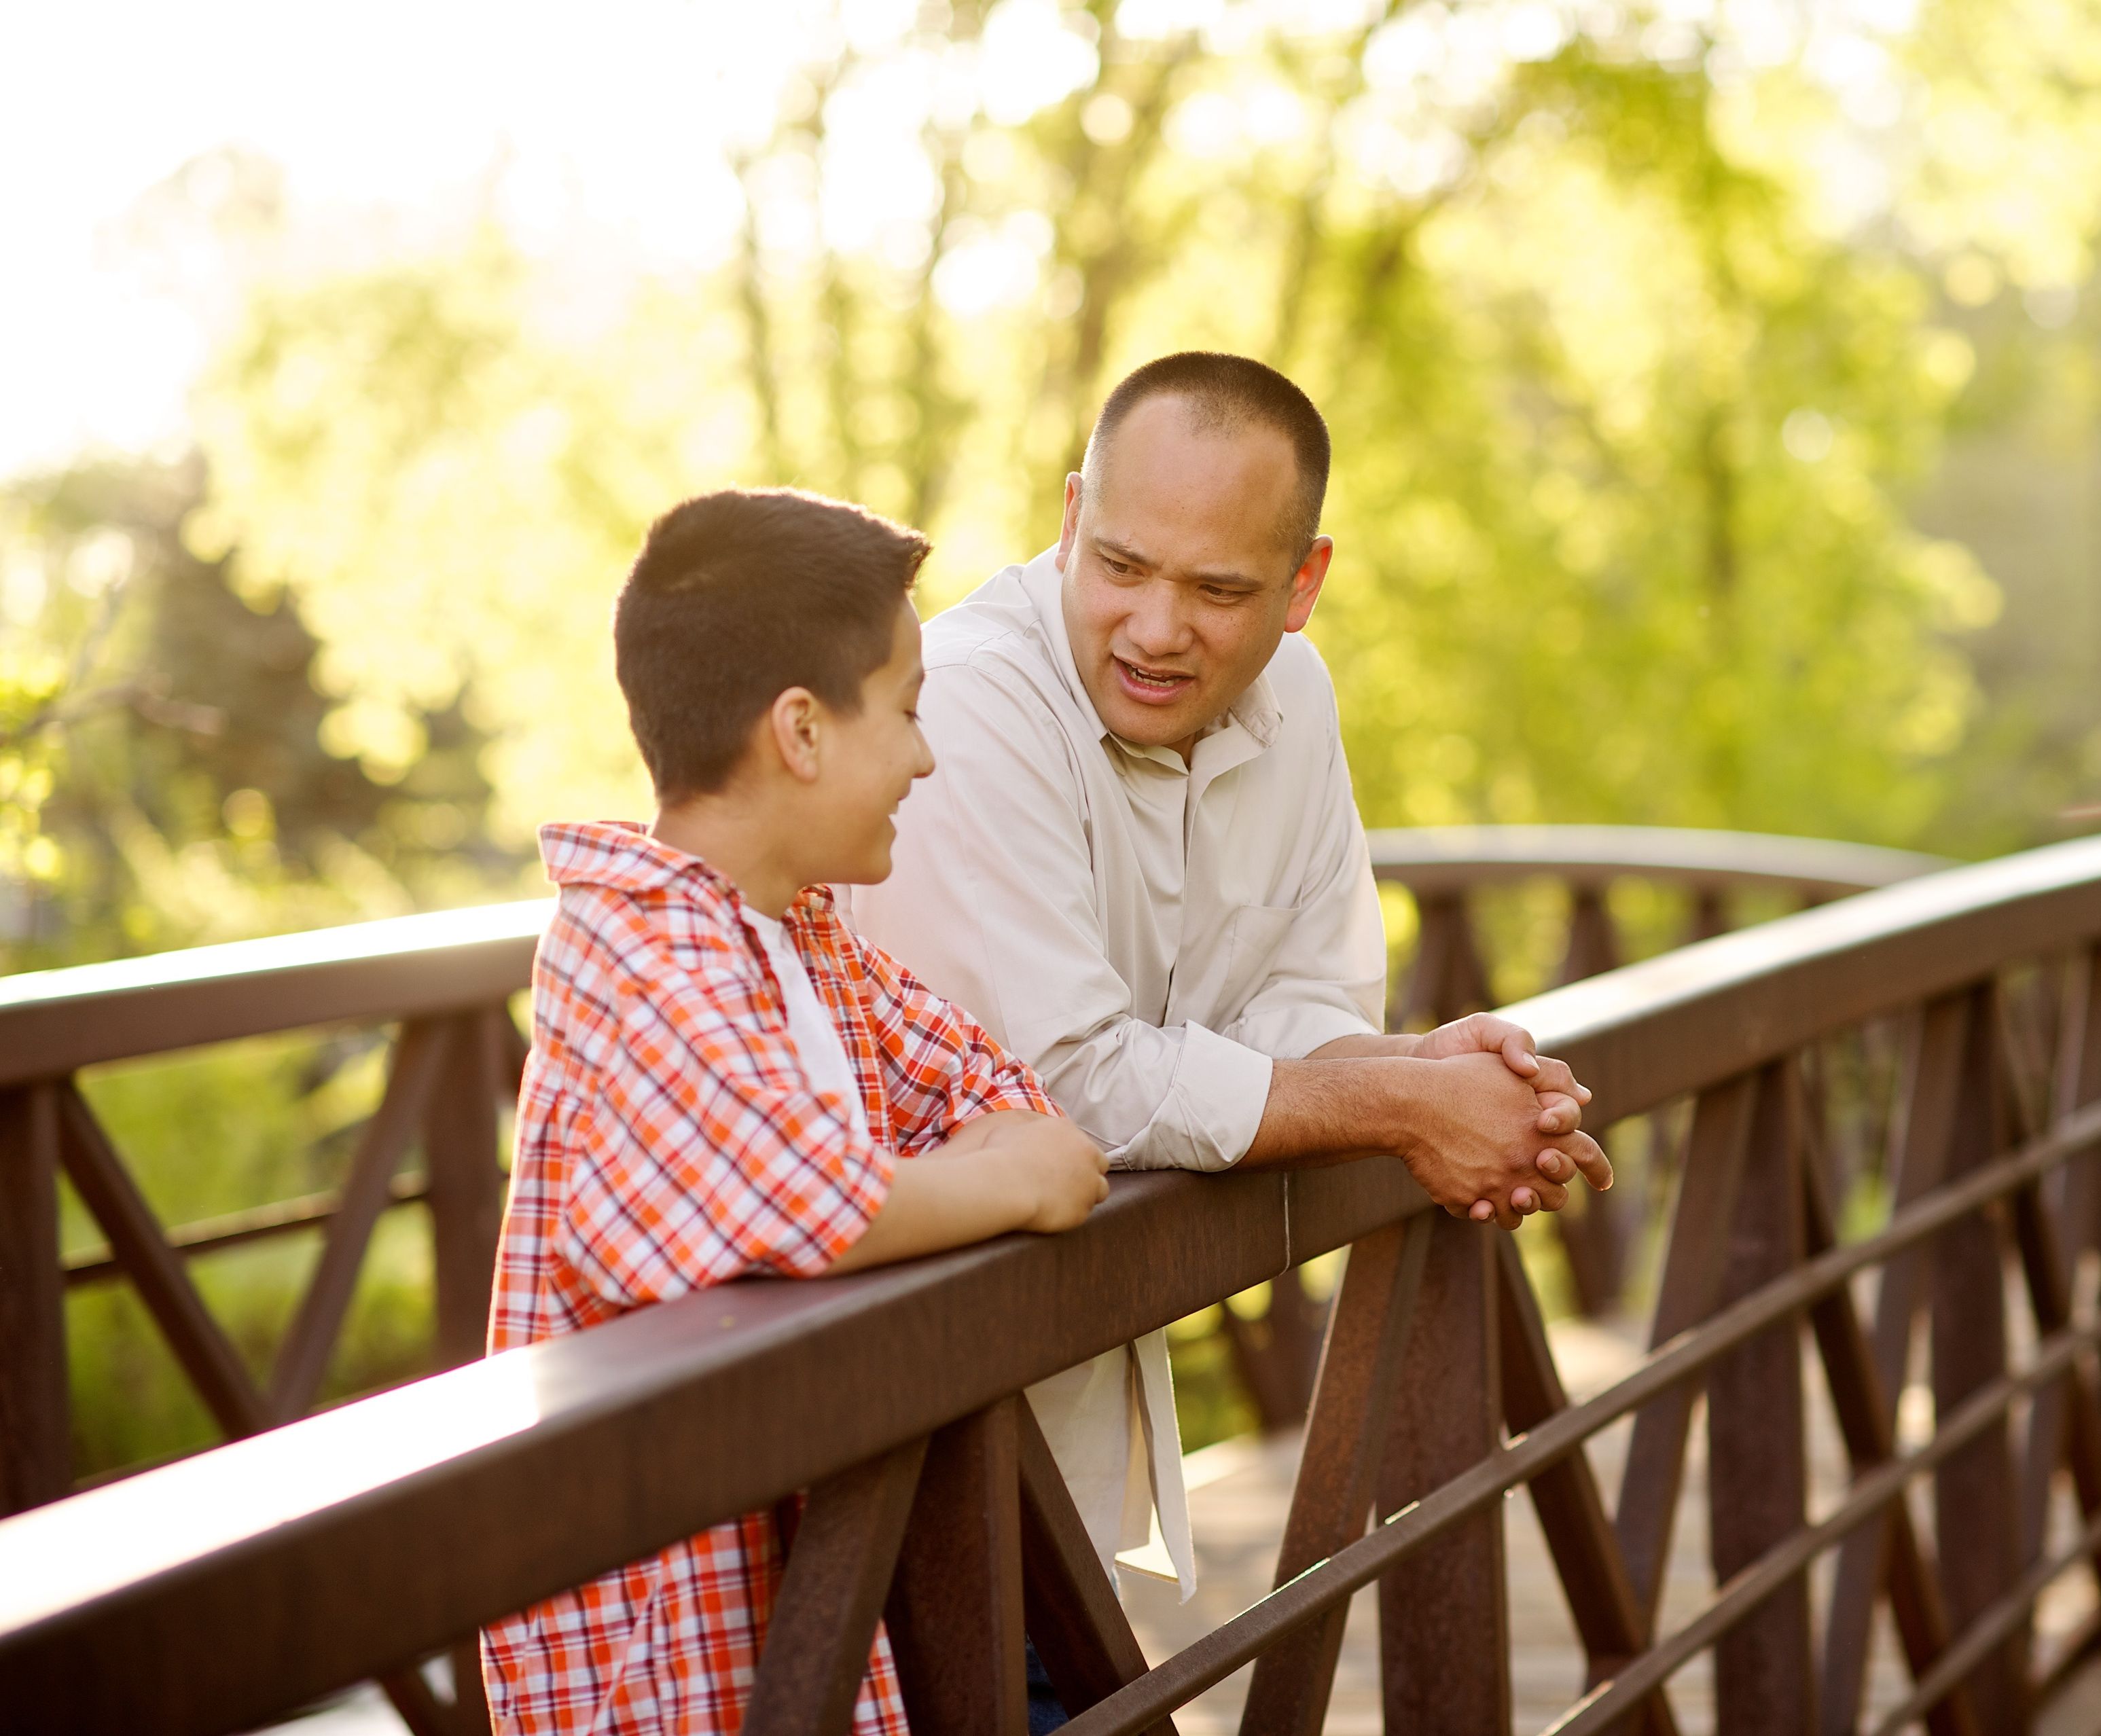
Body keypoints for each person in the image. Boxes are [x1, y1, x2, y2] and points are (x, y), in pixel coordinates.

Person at [843, 354, 1615, 1713]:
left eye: (1218, 592)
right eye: (1123, 565)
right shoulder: (964, 699)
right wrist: (1405, 1111)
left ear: (1303, 585)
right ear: (1073, 514)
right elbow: (1067, 1085)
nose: (1156, 628)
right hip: (877, 1476)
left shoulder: (1297, 702)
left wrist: (1439, 1078)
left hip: (1061, 1460)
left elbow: (1304, 1014)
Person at [480, 489, 1111, 1736]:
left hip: (824, 1623)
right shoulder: (637, 956)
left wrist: (961, 1173)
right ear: (803, 733)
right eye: (912, 709)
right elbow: (807, 1198)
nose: (928, 756)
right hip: (671, 1672)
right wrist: (1011, 1184)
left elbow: (1007, 1099)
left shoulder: (809, 939)